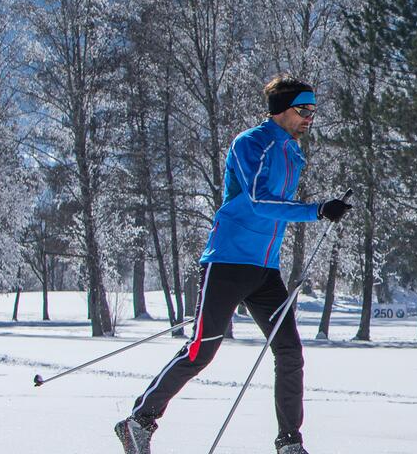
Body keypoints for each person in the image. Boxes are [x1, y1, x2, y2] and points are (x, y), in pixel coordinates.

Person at [116, 76, 353, 454]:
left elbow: (274, 207)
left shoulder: (293, 152)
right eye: (303, 109)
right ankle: (138, 422)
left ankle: (290, 443)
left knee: (290, 351)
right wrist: (317, 210)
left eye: (313, 110)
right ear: (281, 110)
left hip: (264, 270)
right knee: (201, 351)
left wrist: (319, 210)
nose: (311, 116)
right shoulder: (251, 143)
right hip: (226, 262)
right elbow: (259, 201)